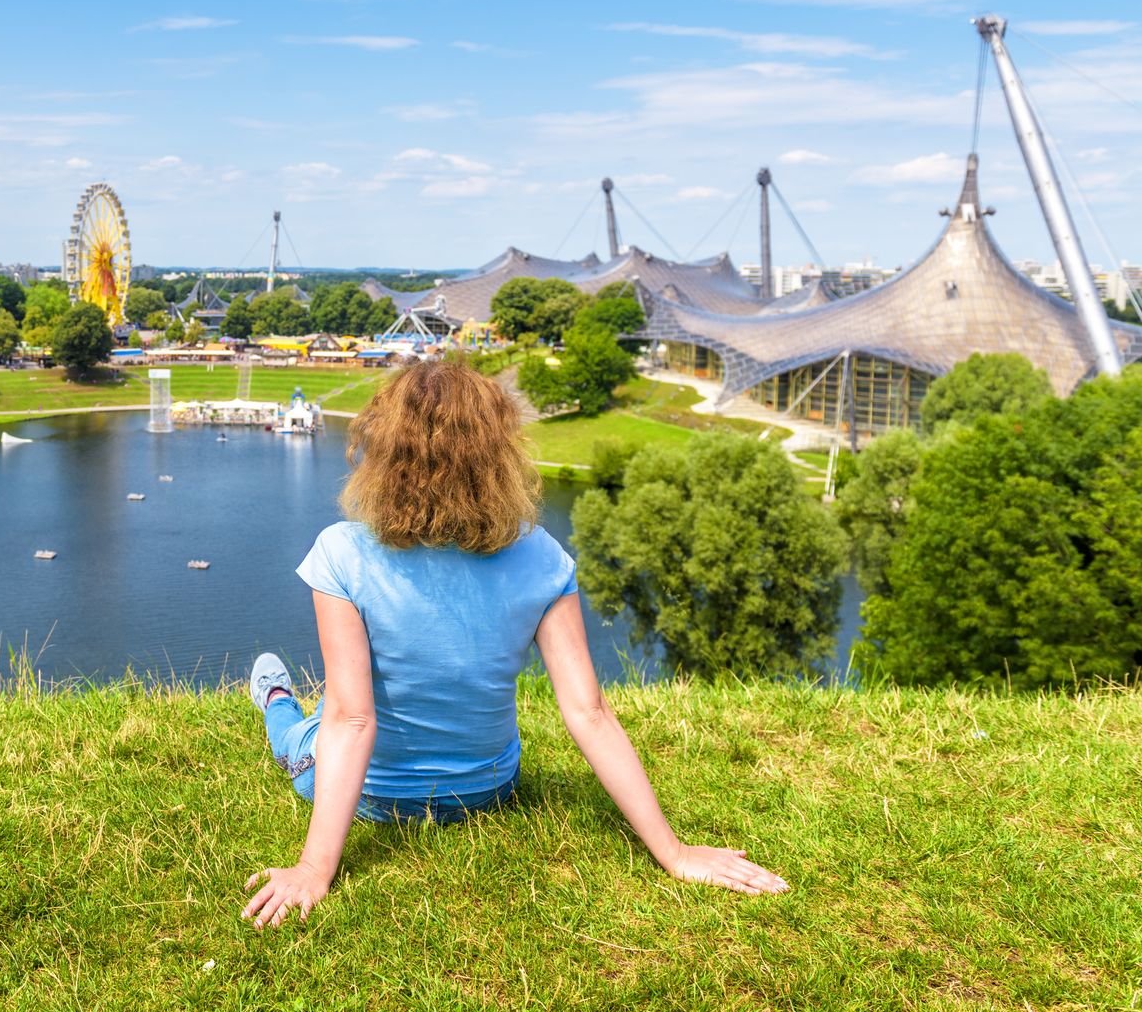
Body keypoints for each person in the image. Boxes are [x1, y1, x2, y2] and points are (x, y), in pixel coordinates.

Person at [240, 361, 786, 930]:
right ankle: (280, 698)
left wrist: (313, 868)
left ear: (385, 449)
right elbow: (589, 712)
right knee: (332, 713)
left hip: (378, 799)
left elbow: (354, 721)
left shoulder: (340, 552)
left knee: (304, 728)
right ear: (497, 452)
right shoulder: (543, 556)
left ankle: (276, 697)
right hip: (488, 791)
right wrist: (674, 853)